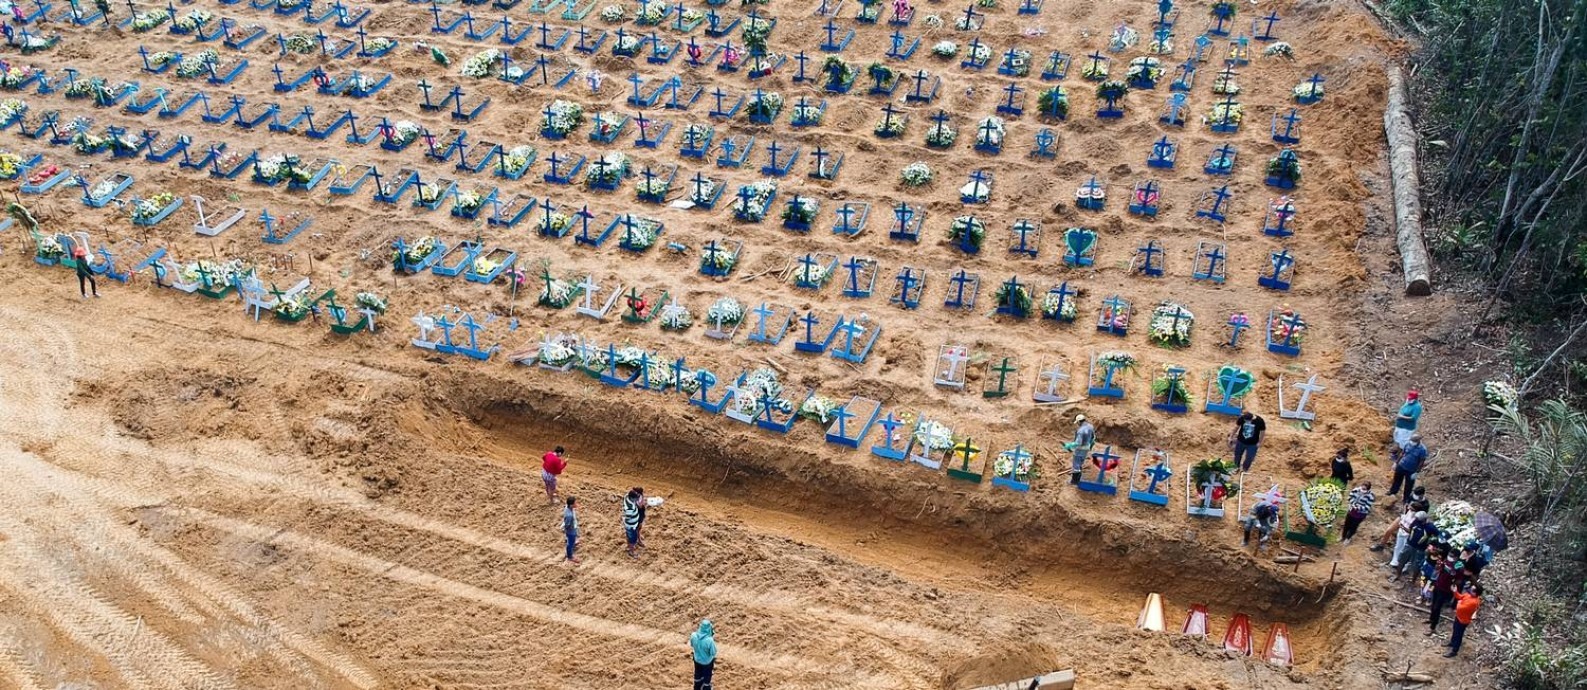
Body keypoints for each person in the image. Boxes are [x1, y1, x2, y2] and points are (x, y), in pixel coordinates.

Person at [1388, 435, 1429, 505]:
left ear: (1418, 441)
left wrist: (1416, 472)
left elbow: (1421, 461)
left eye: (1413, 441)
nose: (1412, 442)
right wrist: (1396, 463)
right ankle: (1393, 491)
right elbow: (1402, 454)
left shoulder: (1422, 449)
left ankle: (1405, 499)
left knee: (1409, 485)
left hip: (1411, 470)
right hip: (1401, 465)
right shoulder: (1408, 444)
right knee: (1397, 480)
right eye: (1411, 440)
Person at [1446, 583, 1483, 658]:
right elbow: (1459, 597)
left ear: (1476, 593)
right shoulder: (1468, 595)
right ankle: (1452, 642)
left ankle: (1454, 650)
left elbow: (1460, 607)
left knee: (1458, 635)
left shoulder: (1474, 602)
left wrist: (1459, 603)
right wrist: (1455, 591)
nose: (1469, 590)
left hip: (1463, 621)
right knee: (1455, 631)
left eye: (1472, 590)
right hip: (1459, 617)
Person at [1426, 556, 1459, 633]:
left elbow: (1458, 580)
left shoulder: (1457, 567)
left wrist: (1453, 585)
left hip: (1445, 590)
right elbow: (1439, 571)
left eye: (1452, 555)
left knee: (1437, 608)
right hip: (1438, 586)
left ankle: (1433, 627)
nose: (1450, 557)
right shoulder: (1445, 562)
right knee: (1433, 604)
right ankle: (1431, 619)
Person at [1066, 415, 1095, 485]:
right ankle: (1079, 473)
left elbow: (1078, 443)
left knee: (1076, 464)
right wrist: (1091, 446)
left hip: (1080, 449)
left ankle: (1075, 481)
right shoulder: (1090, 426)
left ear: (1079, 422)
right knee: (1081, 461)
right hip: (1086, 448)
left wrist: (1069, 445)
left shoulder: (1081, 431)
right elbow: (1093, 438)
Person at [690, 619, 717, 690]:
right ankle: (706, 687)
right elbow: (713, 652)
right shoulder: (710, 640)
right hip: (707, 662)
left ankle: (697, 686)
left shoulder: (693, 635)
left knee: (698, 672)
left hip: (696, 659)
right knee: (707, 675)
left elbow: (692, 645)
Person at [622, 487, 644, 557]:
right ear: (632, 498)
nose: (637, 499)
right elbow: (628, 517)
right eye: (636, 498)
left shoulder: (626, 497)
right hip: (631, 525)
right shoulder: (630, 508)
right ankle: (631, 551)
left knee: (629, 536)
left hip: (630, 525)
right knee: (633, 539)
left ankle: (629, 546)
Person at [561, 496, 580, 564]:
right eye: (575, 503)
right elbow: (567, 525)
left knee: (571, 541)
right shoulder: (569, 515)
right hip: (571, 531)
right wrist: (569, 531)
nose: (576, 504)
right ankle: (570, 557)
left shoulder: (568, 508)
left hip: (572, 529)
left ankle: (572, 542)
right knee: (570, 544)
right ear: (571, 505)